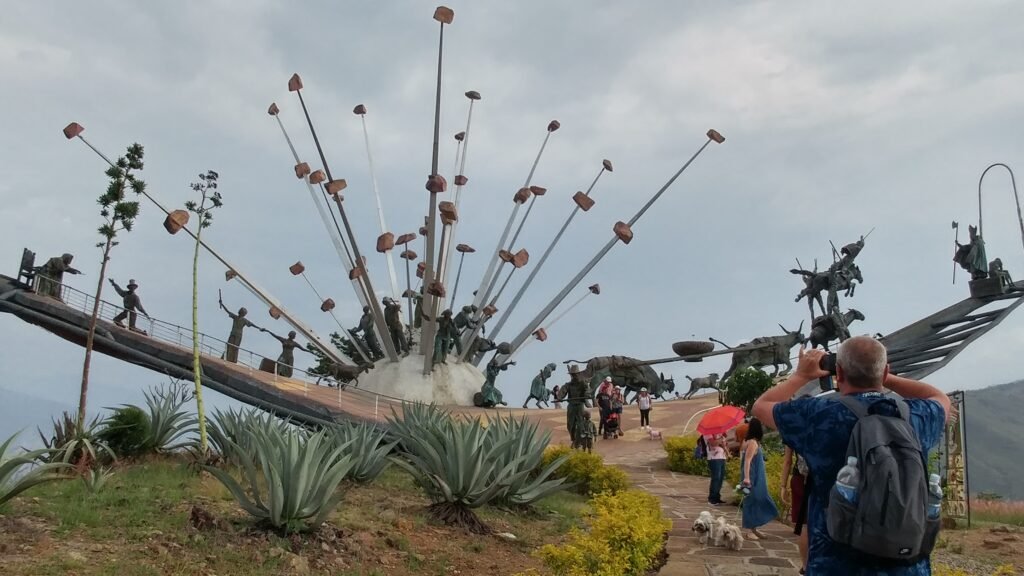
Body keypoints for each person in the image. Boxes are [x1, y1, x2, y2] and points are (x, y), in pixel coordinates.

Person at [752, 337, 950, 575]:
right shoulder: (914, 417)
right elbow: (940, 398)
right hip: (905, 564)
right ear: (885, 371)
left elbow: (762, 406)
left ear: (839, 373)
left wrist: (801, 375)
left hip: (836, 563)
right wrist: (884, 376)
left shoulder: (818, 416)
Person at [740, 418, 778, 540]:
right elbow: (747, 461)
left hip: (754, 475)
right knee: (755, 500)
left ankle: (754, 528)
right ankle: (751, 529)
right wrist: (747, 478)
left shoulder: (748, 441)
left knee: (755, 500)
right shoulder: (752, 443)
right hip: (753, 477)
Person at [782, 445, 811, 573]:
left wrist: (783, 485)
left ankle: (805, 567)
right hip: (821, 478)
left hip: (799, 478)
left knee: (804, 524)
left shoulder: (794, 429)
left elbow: (788, 461)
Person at [219, 294, 257, 363]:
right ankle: (225, 358)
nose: (241, 313)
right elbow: (228, 311)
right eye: (242, 312)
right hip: (233, 334)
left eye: (243, 312)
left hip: (238, 335)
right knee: (229, 346)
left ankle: (233, 360)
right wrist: (222, 304)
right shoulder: (235, 317)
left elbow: (252, 324)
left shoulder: (244, 320)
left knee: (235, 348)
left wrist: (260, 328)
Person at [704, 432, 728, 505]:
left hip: (722, 457)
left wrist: (727, 451)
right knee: (716, 478)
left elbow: (723, 444)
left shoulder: (719, 433)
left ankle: (717, 497)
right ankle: (712, 499)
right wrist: (721, 438)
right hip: (714, 458)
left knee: (720, 478)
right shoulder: (708, 433)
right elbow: (713, 443)